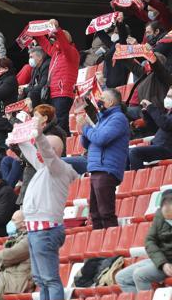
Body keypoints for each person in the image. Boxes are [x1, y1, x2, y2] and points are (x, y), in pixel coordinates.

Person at [18, 120, 78, 300]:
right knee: (41, 279)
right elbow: (32, 153)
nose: (38, 151)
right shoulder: (45, 168)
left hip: (45, 230)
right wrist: (19, 135)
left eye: (42, 148)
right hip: (37, 229)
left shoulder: (58, 169)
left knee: (49, 279)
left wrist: (39, 136)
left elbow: (45, 152)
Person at [77, 88, 130, 230]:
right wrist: (83, 130)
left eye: (102, 98)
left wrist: (86, 129)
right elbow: (86, 143)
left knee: (106, 213)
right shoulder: (102, 118)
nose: (98, 100)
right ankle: (99, 249)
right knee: (95, 214)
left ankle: (111, 248)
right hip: (97, 168)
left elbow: (100, 139)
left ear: (111, 102)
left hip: (107, 169)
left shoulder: (118, 118)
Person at [116, 190, 172, 292]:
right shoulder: (160, 216)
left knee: (140, 275)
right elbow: (150, 241)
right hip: (161, 261)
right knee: (121, 278)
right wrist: (162, 263)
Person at [12, 104, 67, 205]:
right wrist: (15, 146)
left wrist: (20, 145)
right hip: (31, 175)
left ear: (45, 118)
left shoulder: (54, 133)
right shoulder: (34, 132)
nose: (33, 119)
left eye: (36, 116)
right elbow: (27, 156)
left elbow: (37, 158)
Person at [34, 20, 80, 133]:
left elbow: (63, 43)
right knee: (54, 122)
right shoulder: (56, 52)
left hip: (63, 92)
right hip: (54, 92)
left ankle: (63, 146)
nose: (53, 40)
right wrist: (35, 32)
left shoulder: (71, 52)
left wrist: (57, 29)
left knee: (61, 122)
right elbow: (45, 44)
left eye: (55, 38)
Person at [130, 91, 172, 169]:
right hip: (158, 146)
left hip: (167, 149)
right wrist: (146, 113)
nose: (167, 98)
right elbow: (154, 129)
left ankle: (138, 179)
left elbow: (165, 124)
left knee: (135, 152)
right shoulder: (169, 113)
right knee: (125, 153)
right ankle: (126, 180)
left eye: (170, 97)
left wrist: (151, 107)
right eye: (167, 96)